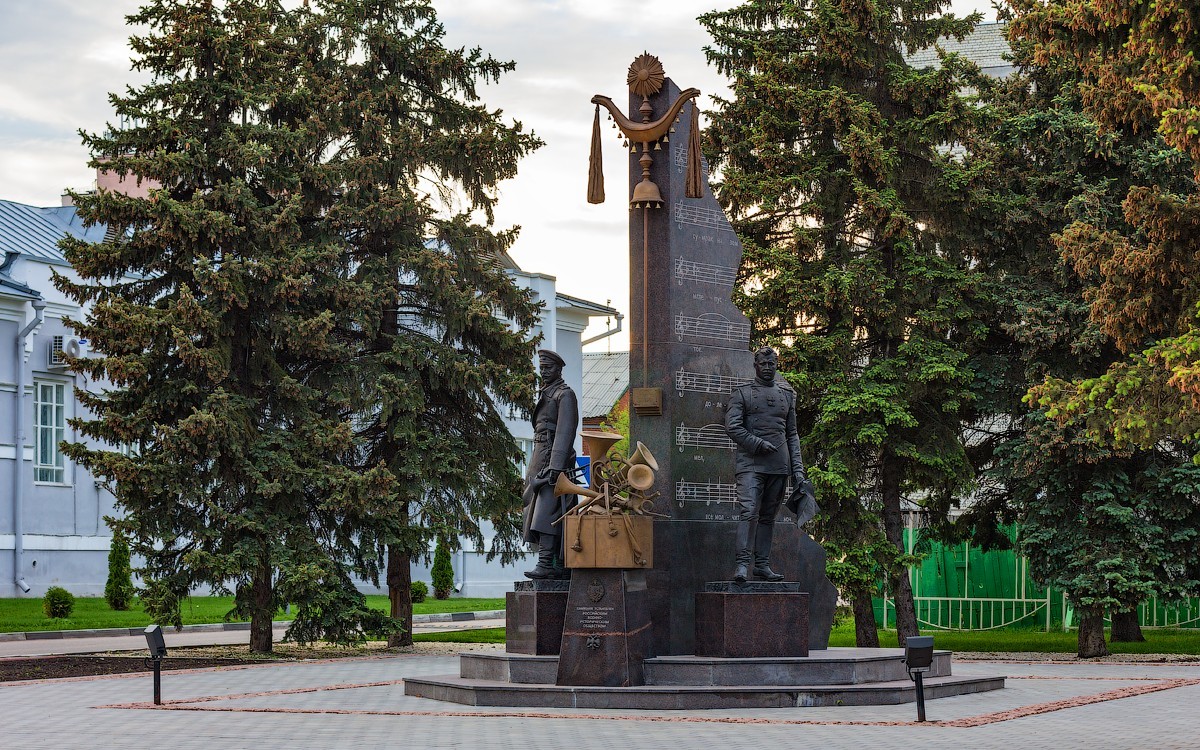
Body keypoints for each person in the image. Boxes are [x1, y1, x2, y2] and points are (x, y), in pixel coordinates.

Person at [725, 346, 807, 583]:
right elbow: (732, 427)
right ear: (755, 366)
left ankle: (761, 565)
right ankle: (742, 565)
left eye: (772, 364)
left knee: (768, 516)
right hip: (751, 464)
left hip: (779, 466)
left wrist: (798, 470)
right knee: (749, 511)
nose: (768, 368)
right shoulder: (742, 393)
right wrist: (757, 444)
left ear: (777, 365)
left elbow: (792, 434)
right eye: (764, 364)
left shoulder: (786, 396)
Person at [521, 349, 579, 579]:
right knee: (536, 507)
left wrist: (556, 466)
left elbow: (566, 431)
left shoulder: (565, 395)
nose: (544, 372)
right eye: (541, 368)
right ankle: (552, 563)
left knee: (548, 510)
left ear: (559, 369)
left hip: (554, 461)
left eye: (548, 368)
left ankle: (547, 563)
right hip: (540, 455)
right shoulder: (548, 393)